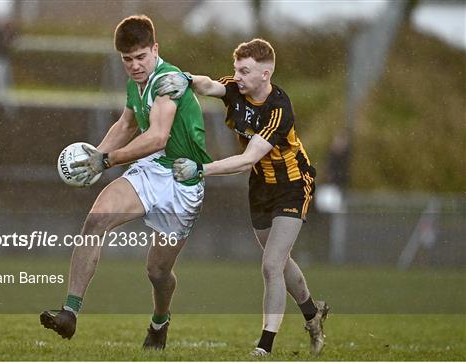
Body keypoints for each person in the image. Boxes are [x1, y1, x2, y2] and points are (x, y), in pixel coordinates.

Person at [40, 15, 212, 350]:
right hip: (150, 171)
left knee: (158, 272)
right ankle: (70, 312)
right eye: (127, 60)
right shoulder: (137, 81)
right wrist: (94, 156)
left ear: (155, 49)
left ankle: (159, 323)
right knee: (95, 220)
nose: (134, 66)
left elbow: (159, 136)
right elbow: (127, 123)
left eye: (140, 58)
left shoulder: (167, 81)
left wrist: (107, 160)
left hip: (183, 183)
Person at [156, 39, 329, 356]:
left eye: (244, 70)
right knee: (280, 261)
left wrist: (201, 169)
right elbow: (210, 85)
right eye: (236, 68)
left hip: (292, 184)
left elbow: (248, 159)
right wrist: (187, 79)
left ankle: (265, 346)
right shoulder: (237, 88)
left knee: (271, 264)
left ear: (265, 74)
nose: (237, 76)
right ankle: (312, 313)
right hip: (260, 188)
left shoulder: (279, 109)